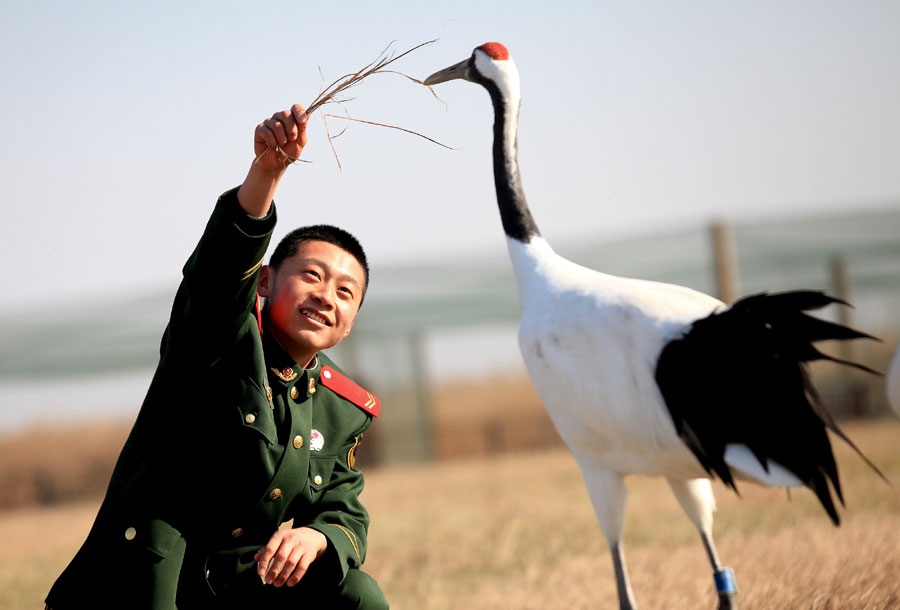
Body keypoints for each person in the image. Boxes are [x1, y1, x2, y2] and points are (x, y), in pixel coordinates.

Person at [45, 104, 389, 609]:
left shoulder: (342, 406)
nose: (325, 297)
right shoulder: (216, 337)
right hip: (152, 580)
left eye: (345, 292)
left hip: (240, 588)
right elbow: (219, 274)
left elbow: (343, 508)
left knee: (356, 593)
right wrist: (267, 173)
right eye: (311, 276)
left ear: (352, 318)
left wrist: (317, 537)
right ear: (267, 282)